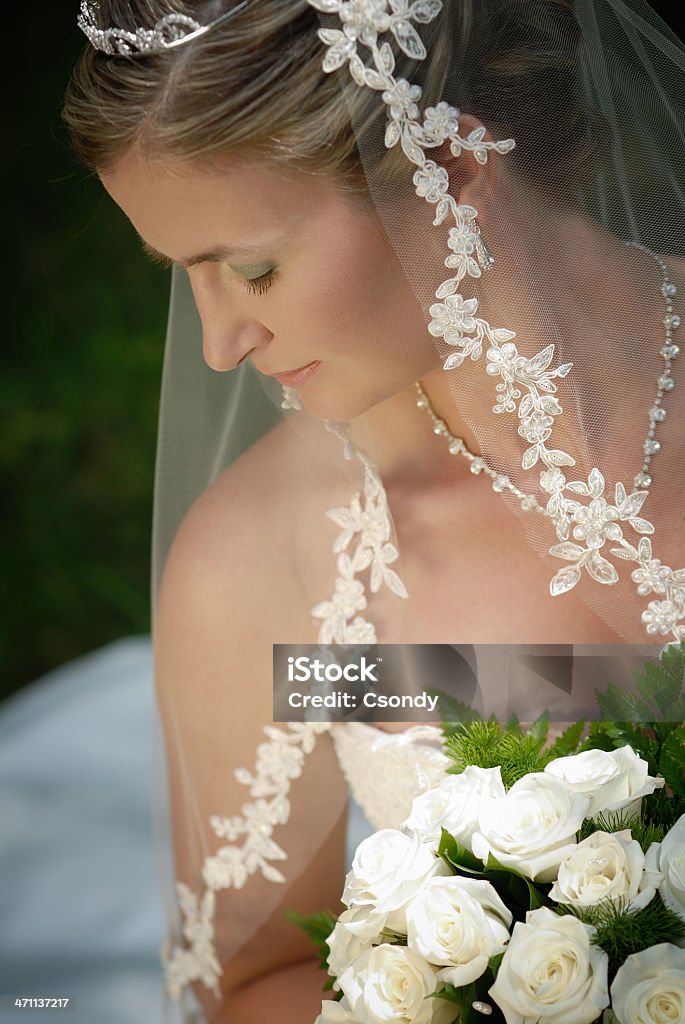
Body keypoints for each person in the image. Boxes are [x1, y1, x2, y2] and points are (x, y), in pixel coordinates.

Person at [62, 0, 685, 1019]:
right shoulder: (266, 563)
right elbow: (248, 979)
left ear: (456, 173)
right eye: (186, 278)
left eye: (253, 266)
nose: (219, 343)